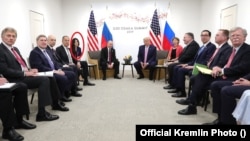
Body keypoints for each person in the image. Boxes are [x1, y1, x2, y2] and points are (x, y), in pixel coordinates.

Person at [178, 27, 250, 116]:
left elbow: (242, 68)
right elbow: (224, 62)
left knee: (212, 84)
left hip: (235, 77)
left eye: (238, 35)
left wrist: (222, 70)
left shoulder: (247, 50)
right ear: (230, 38)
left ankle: (218, 116)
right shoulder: (232, 49)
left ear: (245, 37)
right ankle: (192, 105)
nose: (235, 37)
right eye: (233, 35)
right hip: (224, 74)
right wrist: (216, 68)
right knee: (201, 76)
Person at [0, 27, 59, 122]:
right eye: (8, 35)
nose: (11, 38)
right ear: (2, 37)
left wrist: (30, 70)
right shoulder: (1, 50)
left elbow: (21, 64)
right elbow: (5, 70)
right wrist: (25, 73)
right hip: (13, 78)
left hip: (23, 75)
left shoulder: (15, 49)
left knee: (48, 78)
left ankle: (46, 108)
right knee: (43, 80)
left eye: (13, 36)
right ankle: (41, 114)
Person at [29, 34, 81, 101]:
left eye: (45, 40)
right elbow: (39, 67)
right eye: (41, 40)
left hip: (55, 70)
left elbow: (54, 62)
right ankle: (60, 97)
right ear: (37, 42)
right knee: (63, 78)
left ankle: (64, 93)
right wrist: (54, 71)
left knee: (71, 74)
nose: (44, 42)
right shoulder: (34, 52)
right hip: (46, 73)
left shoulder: (47, 51)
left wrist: (59, 69)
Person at [168, 30, 216, 98]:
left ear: (210, 37)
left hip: (201, 68)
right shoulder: (202, 47)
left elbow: (207, 61)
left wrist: (193, 66)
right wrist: (187, 64)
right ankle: (178, 89)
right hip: (195, 66)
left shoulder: (212, 47)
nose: (203, 37)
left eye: (205, 35)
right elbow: (194, 60)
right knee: (179, 68)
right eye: (202, 35)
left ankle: (182, 92)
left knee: (180, 70)